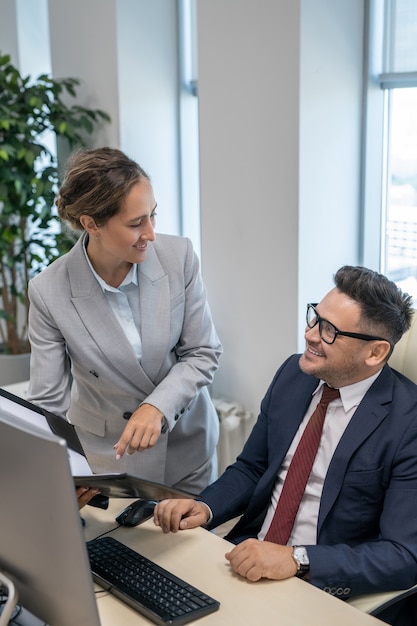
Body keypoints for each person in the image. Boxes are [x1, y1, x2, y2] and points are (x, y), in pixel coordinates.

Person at [153, 266, 417, 621]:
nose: (309, 335)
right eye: (314, 318)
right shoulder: (294, 374)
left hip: (323, 586)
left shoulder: (408, 422)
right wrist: (206, 507)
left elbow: (403, 555)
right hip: (246, 557)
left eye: (329, 331)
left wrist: (297, 559)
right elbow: (253, 467)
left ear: (375, 353)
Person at [26, 147, 222, 494]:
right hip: (108, 463)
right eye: (136, 223)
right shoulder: (49, 291)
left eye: (153, 215)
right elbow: (47, 405)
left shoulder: (179, 257)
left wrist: (157, 407)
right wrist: (59, 473)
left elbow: (203, 353)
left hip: (187, 449)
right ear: (91, 224)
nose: (151, 233)